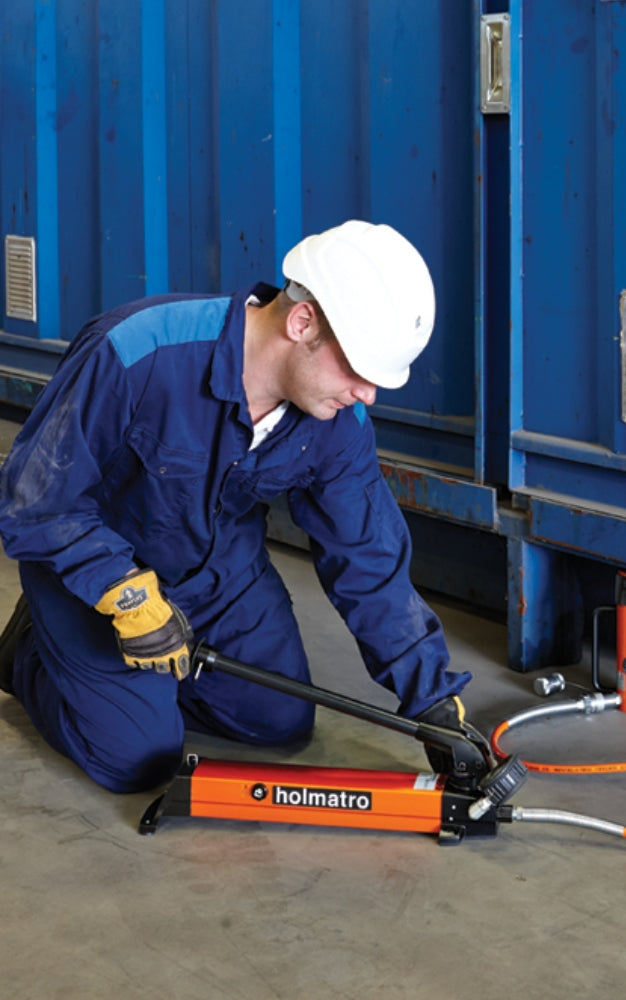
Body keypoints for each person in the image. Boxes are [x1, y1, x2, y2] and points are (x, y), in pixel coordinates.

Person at [0, 220, 477, 793]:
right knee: (140, 758)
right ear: (303, 322)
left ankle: (143, 683)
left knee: (278, 721)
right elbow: (35, 500)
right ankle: (30, 653)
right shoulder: (139, 352)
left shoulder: (337, 423)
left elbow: (367, 556)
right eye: (359, 370)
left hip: (219, 576)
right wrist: (121, 591)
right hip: (97, 576)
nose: (368, 394)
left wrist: (432, 699)